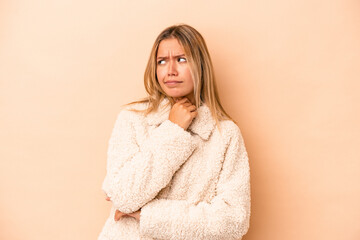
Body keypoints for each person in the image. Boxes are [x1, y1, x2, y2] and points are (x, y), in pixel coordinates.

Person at [98, 24, 251, 240]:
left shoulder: (225, 134)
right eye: (162, 62)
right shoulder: (132, 119)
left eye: (181, 59)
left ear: (199, 65)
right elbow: (123, 195)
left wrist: (147, 215)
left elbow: (234, 221)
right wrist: (173, 130)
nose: (170, 70)